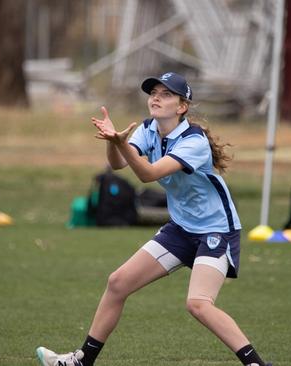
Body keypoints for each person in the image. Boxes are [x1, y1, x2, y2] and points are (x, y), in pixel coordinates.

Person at [36, 72, 272, 366]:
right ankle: (82, 361)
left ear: (182, 106)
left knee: (198, 304)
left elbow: (147, 174)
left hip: (216, 230)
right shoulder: (148, 129)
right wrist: (114, 141)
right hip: (182, 229)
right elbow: (118, 163)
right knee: (118, 283)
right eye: (154, 93)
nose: (156, 98)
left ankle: (257, 364)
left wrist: (120, 143)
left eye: (166, 94)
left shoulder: (193, 141)